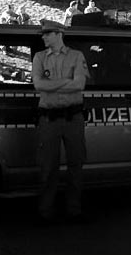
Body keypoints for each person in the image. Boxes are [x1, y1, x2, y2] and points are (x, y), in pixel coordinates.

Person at [31, 19, 89, 223]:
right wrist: (66, 81)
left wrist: (52, 85)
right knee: (48, 167)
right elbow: (38, 85)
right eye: (43, 34)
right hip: (49, 118)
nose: (43, 37)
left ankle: (74, 210)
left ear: (58, 34)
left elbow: (79, 84)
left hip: (73, 117)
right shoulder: (39, 57)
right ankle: (46, 211)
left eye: (47, 33)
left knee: (76, 164)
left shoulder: (76, 56)